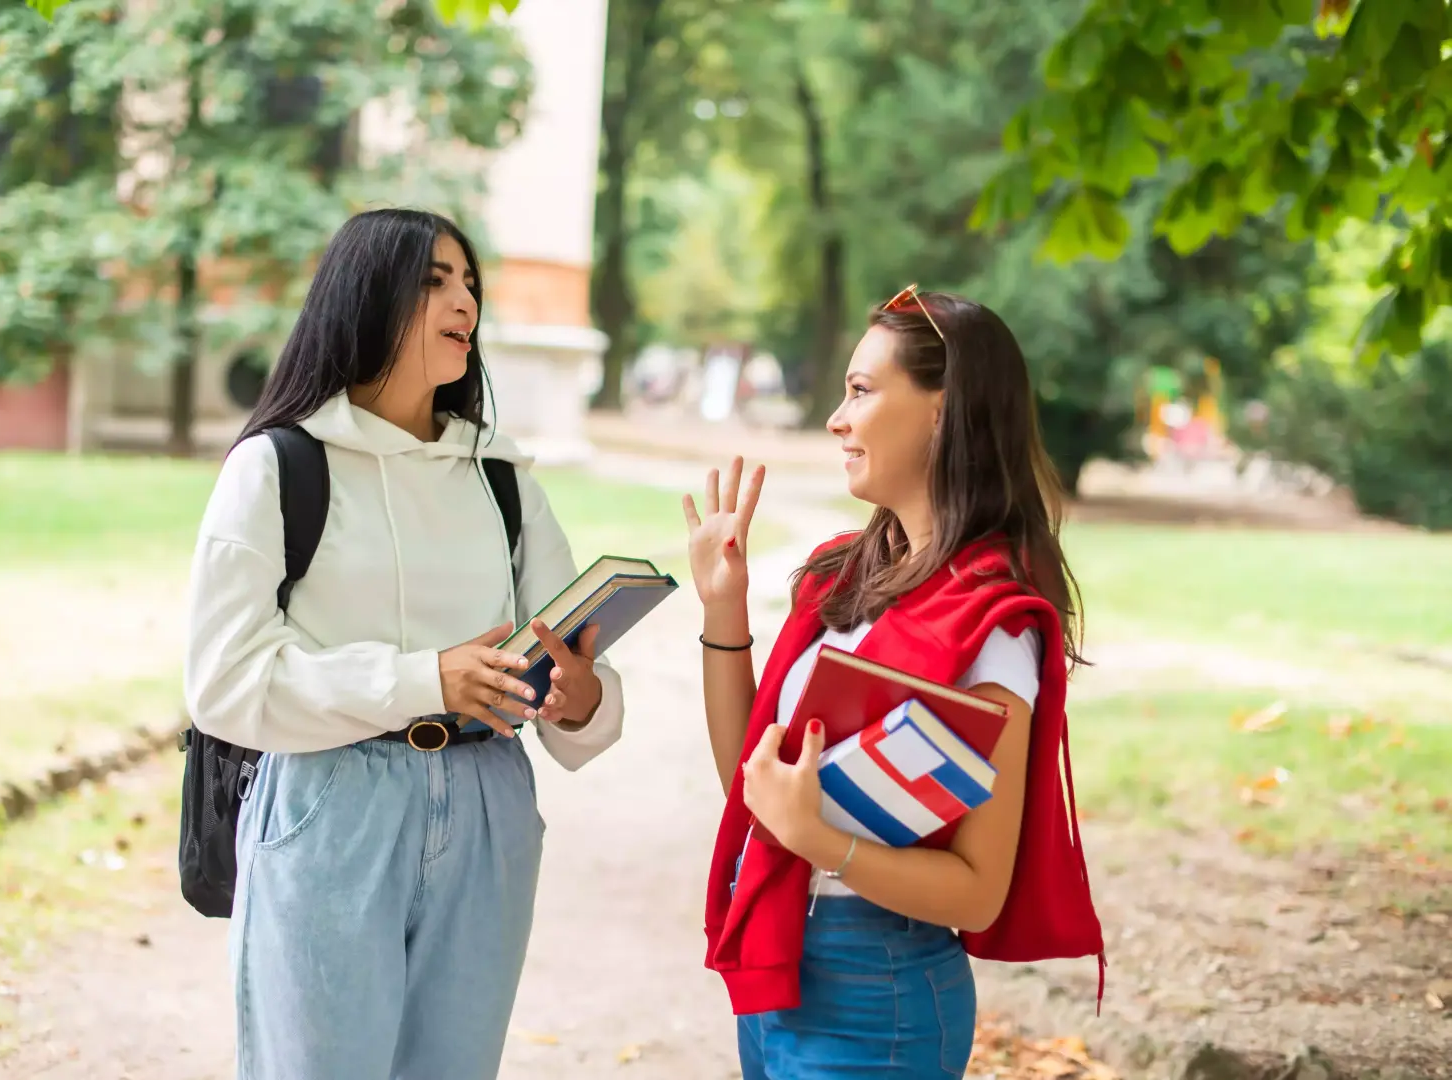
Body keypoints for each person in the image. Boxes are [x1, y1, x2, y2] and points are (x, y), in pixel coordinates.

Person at [182, 208, 625, 1080]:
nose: (463, 298)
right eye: (434, 280)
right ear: (365, 297)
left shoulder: (502, 481)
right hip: (331, 805)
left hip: (490, 804)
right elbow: (226, 685)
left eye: (469, 282)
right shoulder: (277, 468)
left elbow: (582, 676)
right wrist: (426, 679)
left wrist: (580, 696)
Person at [682, 285, 1102, 1078]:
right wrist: (724, 610)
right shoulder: (844, 576)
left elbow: (977, 890)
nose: (837, 418)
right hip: (779, 963)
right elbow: (753, 783)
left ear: (945, 411)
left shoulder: (994, 624)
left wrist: (819, 840)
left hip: (877, 989)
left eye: (861, 391)